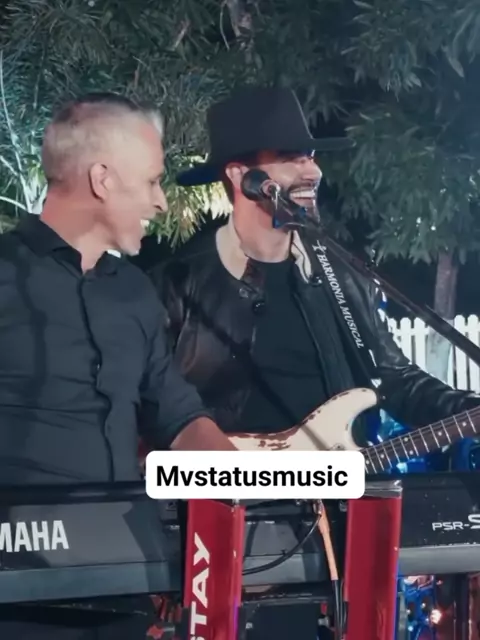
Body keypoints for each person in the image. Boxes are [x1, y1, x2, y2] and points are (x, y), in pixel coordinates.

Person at [0, 92, 234, 639]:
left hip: (126, 576)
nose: (160, 201)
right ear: (102, 179)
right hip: (18, 591)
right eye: (151, 181)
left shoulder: (133, 291)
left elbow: (177, 415)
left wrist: (262, 487)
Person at [148, 85, 480, 448]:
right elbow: (148, 405)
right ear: (241, 175)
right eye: (292, 158)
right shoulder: (177, 283)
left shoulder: (343, 272)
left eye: (310, 156)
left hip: (341, 479)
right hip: (229, 483)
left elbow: (395, 379)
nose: (313, 171)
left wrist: (468, 408)